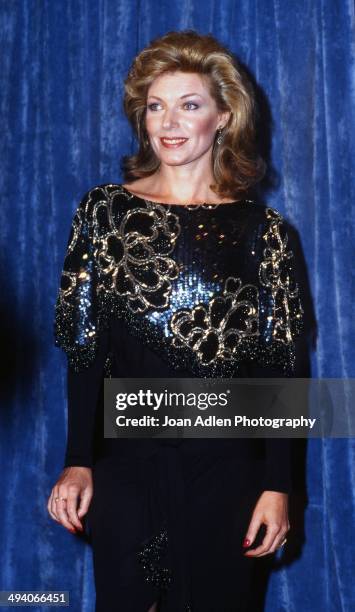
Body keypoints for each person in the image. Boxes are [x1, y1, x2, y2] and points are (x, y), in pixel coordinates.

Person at [47, 30, 305, 612]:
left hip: (231, 474)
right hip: (127, 471)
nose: (169, 121)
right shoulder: (104, 212)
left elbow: (284, 370)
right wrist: (78, 460)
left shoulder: (265, 233)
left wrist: (278, 486)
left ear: (225, 115)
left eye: (189, 104)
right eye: (155, 105)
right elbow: (85, 350)